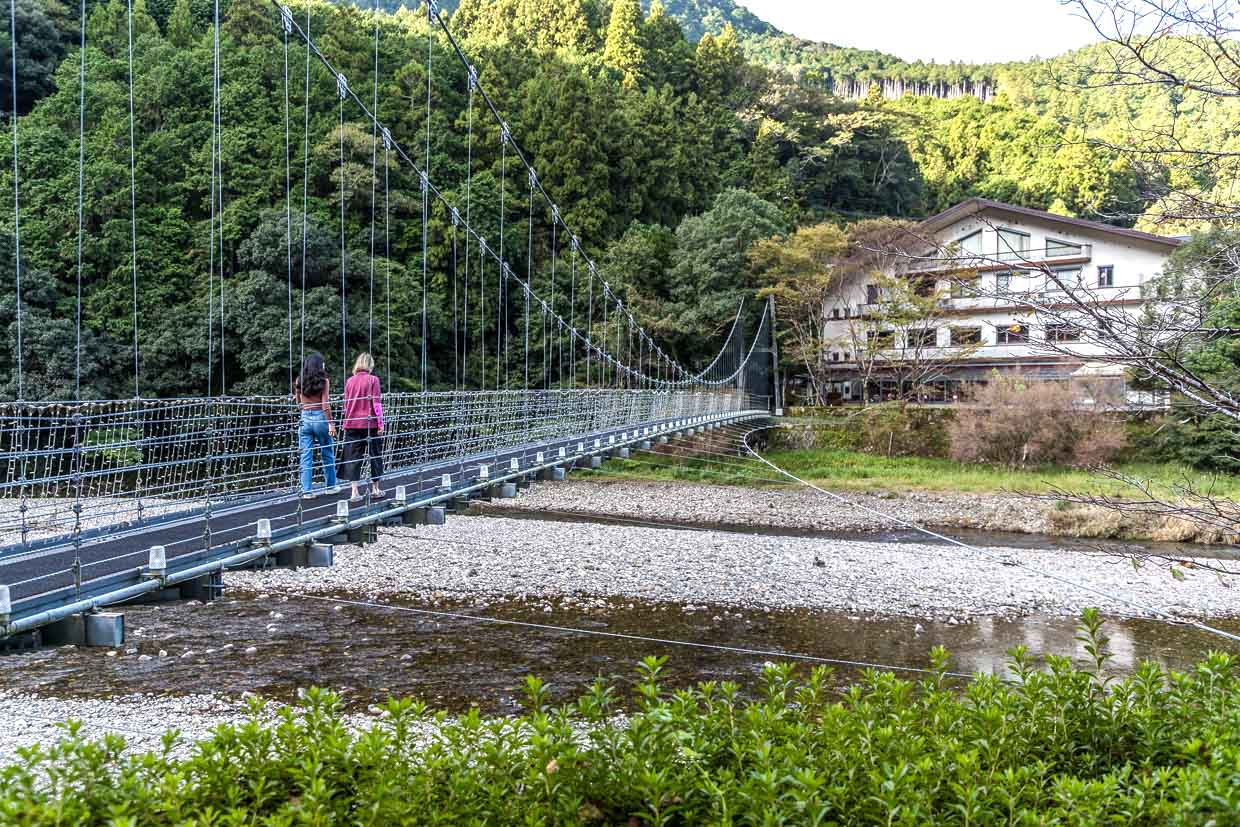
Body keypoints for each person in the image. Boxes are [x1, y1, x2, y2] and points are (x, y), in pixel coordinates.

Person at [341, 352, 386, 503]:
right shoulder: (373, 380)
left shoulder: (349, 381)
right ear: (370, 365)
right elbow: (376, 403)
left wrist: (346, 421)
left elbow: (346, 404)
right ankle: (375, 489)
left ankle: (354, 492)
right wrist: (380, 423)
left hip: (352, 423)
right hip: (370, 424)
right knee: (375, 455)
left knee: (353, 458)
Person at [294, 352, 339, 499]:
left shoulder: (299, 380)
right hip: (321, 417)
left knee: (305, 456)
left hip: (305, 418)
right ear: (320, 365)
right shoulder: (324, 381)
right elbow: (325, 404)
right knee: (327, 452)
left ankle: (307, 491)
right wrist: (331, 424)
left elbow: (298, 402)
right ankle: (330, 487)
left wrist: (305, 410)